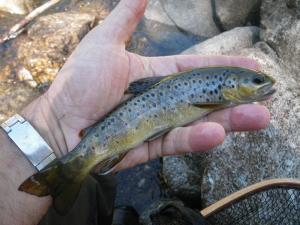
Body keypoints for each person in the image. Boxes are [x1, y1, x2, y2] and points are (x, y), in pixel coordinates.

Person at [0, 0, 271, 224]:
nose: (264, 85)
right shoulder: (219, 93)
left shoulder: (221, 94)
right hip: (116, 135)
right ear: (230, 86)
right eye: (257, 82)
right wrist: (52, 126)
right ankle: (77, 179)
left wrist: (49, 128)